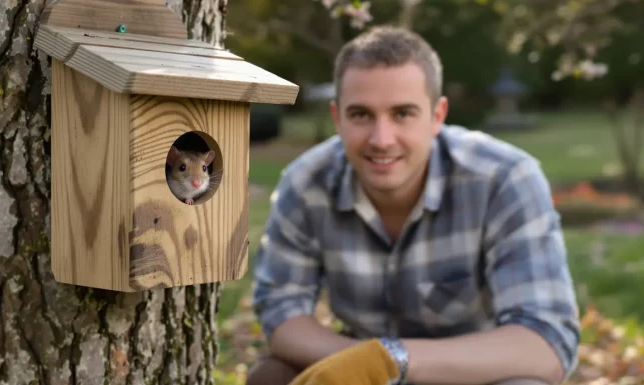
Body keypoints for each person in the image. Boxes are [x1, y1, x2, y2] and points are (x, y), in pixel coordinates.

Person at [246, 25, 580, 385]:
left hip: (471, 374)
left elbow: (547, 343)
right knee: (272, 376)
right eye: (361, 115)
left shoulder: (505, 178)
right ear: (337, 117)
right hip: (359, 374)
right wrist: (362, 364)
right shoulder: (306, 183)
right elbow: (281, 312)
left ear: (437, 116)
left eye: (402, 113)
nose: (381, 139)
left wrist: (390, 360)